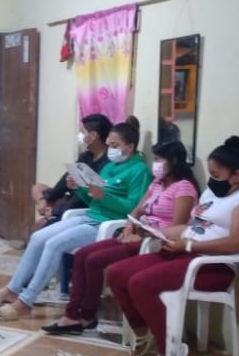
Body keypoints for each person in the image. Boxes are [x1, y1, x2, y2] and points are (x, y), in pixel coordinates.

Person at [107, 137, 239, 356]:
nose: (211, 180)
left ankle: (169, 348)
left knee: (140, 283)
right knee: (116, 273)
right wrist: (155, 233)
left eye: (216, 175)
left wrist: (189, 246)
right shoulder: (212, 194)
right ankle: (141, 331)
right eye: (210, 174)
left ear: (236, 176)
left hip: (212, 266)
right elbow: (191, 227)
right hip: (184, 252)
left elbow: (236, 243)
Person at [0, 118, 152, 321]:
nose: (111, 150)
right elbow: (93, 198)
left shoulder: (139, 170)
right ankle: (12, 289)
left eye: (115, 146)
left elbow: (133, 208)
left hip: (107, 224)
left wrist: (104, 196)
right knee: (38, 237)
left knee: (54, 244)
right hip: (91, 215)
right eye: (109, 145)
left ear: (130, 146)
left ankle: (26, 301)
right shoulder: (110, 166)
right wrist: (79, 187)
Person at [42, 140, 198, 335]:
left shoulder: (184, 188)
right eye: (155, 159)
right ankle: (72, 315)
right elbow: (137, 210)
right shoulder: (157, 184)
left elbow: (177, 228)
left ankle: (87, 314)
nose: (155, 164)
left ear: (173, 161)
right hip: (138, 233)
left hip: (154, 242)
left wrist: (142, 236)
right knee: (82, 255)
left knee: (94, 260)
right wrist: (129, 228)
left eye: (159, 159)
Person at [31, 114, 112, 231]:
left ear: (93, 136)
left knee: (40, 225)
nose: (79, 136)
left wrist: (56, 211)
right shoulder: (86, 156)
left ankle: (49, 219)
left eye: (82, 132)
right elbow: (64, 183)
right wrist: (44, 200)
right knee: (37, 188)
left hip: (83, 205)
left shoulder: (108, 162)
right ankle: (49, 214)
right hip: (70, 199)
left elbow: (85, 197)